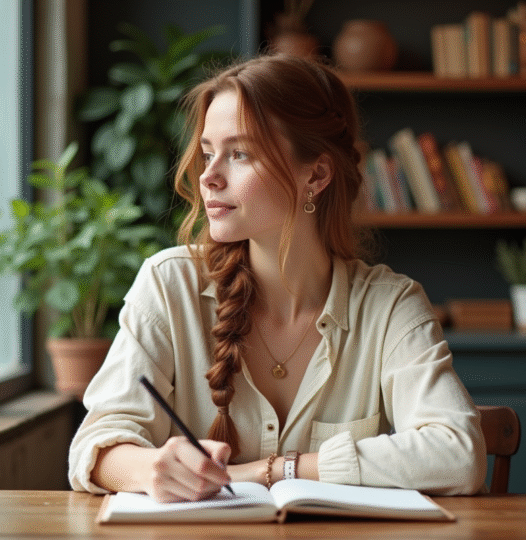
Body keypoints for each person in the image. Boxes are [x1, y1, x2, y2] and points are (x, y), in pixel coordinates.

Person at [69, 54, 486, 503]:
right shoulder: (169, 286)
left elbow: (459, 454)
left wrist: (274, 470)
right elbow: (95, 449)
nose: (208, 176)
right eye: (208, 153)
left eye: (239, 153)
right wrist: (152, 468)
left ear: (317, 174)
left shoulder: (389, 306)